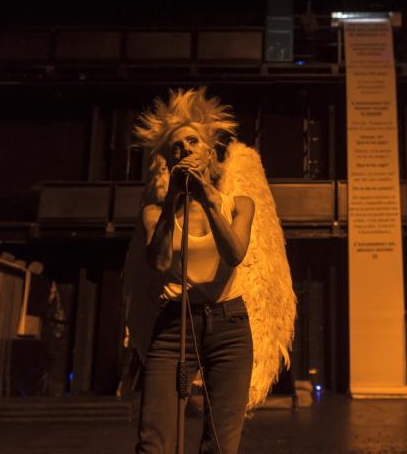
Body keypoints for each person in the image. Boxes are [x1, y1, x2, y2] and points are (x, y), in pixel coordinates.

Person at [125, 88, 296, 454]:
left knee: (220, 445)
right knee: (153, 442)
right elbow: (158, 262)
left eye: (192, 142)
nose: (185, 149)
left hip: (229, 325)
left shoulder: (240, 204)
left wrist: (207, 201)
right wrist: (173, 200)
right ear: (169, 159)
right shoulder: (154, 211)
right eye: (176, 147)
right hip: (175, 325)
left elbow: (234, 253)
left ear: (209, 151)